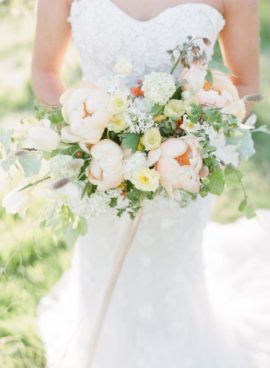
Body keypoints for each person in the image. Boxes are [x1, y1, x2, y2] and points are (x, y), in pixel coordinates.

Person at [32, 1, 269, 368]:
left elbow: (247, 85)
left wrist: (196, 144)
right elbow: (45, 71)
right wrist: (86, 143)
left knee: (170, 276)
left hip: (181, 176)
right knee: (106, 272)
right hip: (99, 173)